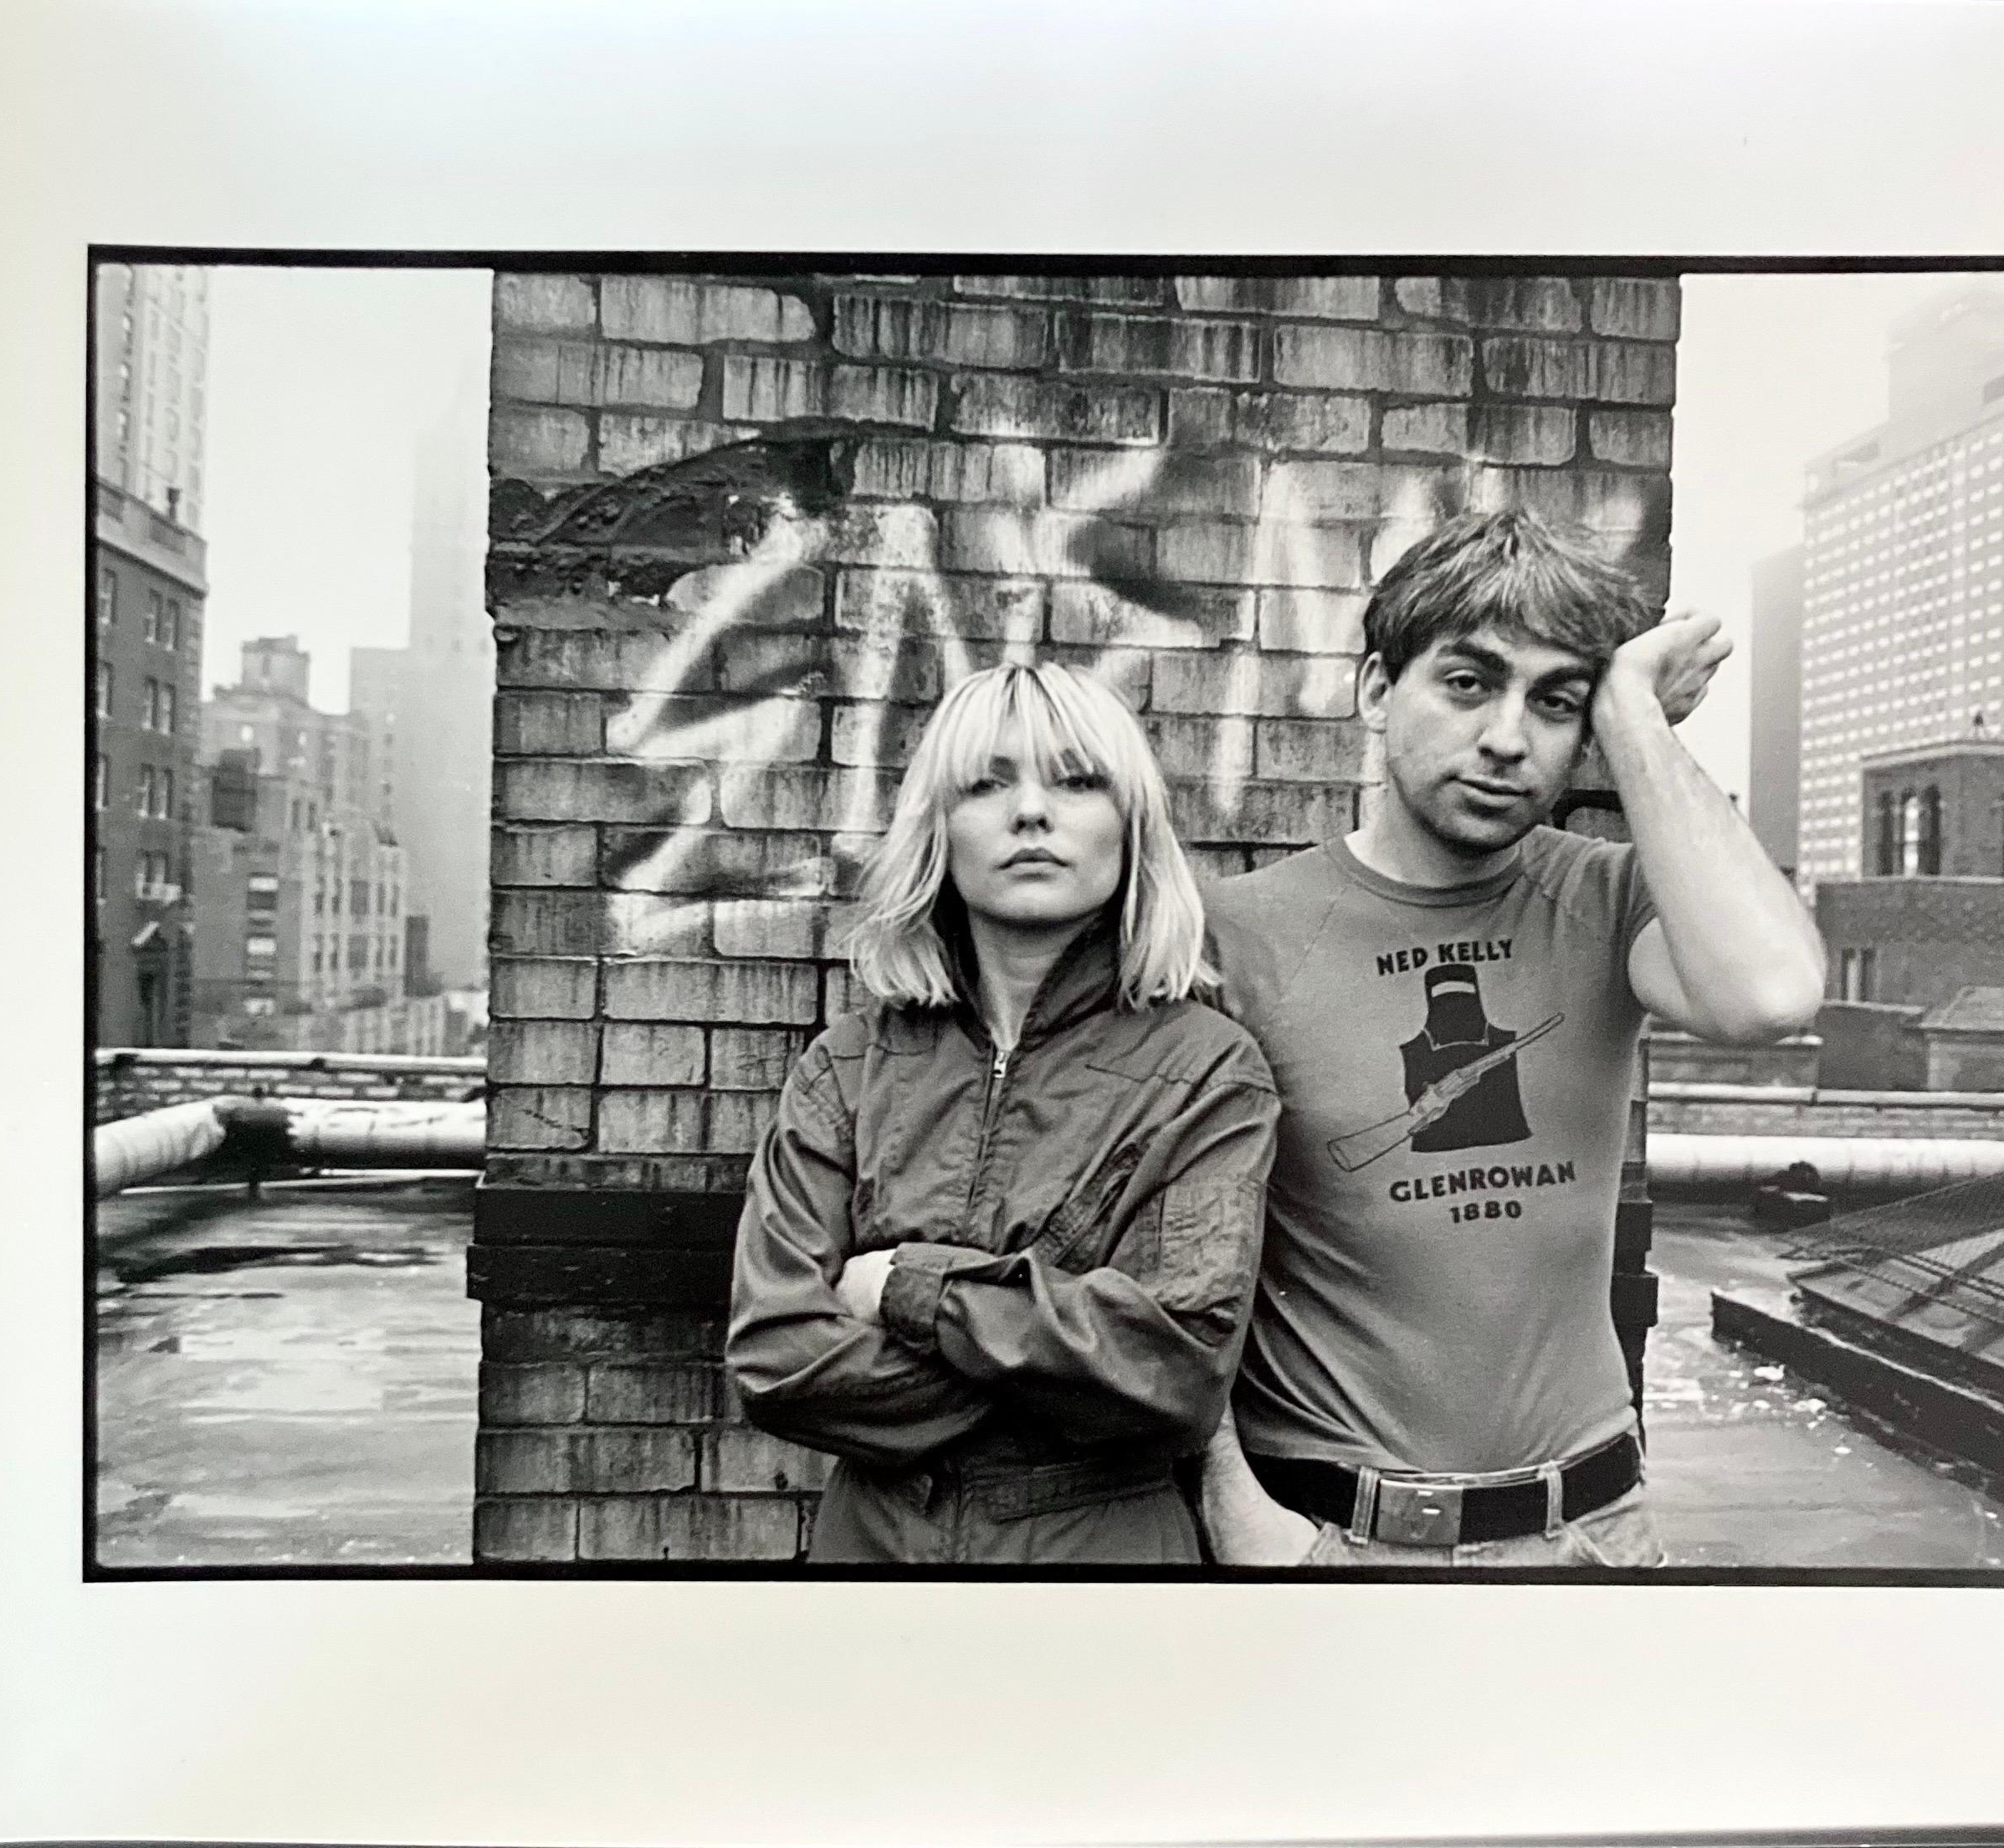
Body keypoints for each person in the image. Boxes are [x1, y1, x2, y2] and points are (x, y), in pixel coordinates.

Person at [1197, 508, 1826, 1570]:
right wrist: (1230, 1503)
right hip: (1334, 1543)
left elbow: (1769, 996)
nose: (1507, 738)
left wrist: (1634, 722)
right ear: (1376, 690)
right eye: (1468, 683)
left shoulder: (1607, 899)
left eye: (1554, 703)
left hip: (1593, 1535)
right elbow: (1171, 1251)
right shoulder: (1239, 932)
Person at [727, 660, 1281, 1566]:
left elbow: (1174, 1372)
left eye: (1077, 781)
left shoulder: (1209, 1076)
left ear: (1131, 828)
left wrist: (906, 1287)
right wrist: (1057, 1348)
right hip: (869, 1568)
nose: (1032, 812)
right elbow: (778, 1360)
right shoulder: (849, 1067)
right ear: (938, 829)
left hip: (1101, 1576)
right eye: (987, 783)